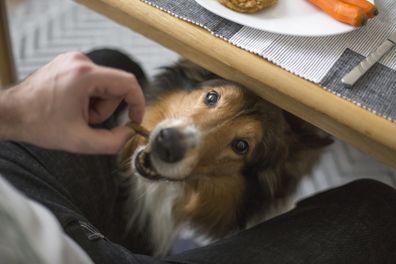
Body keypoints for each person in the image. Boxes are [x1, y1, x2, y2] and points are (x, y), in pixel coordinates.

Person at [0, 49, 395, 264]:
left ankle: (137, 234)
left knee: (109, 66)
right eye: (211, 98)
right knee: (377, 209)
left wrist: (13, 110)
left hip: (11, 195)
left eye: (241, 146)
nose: (179, 137)